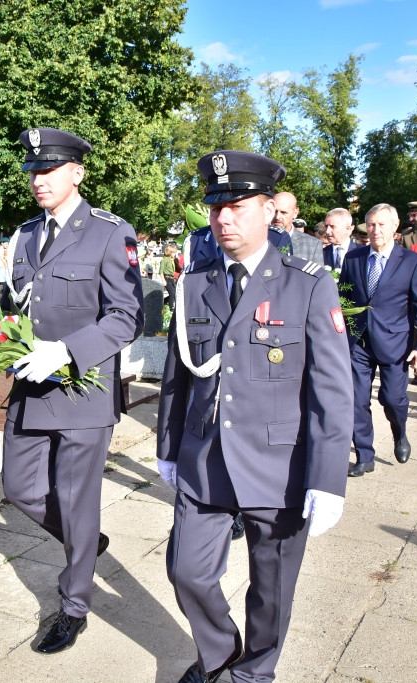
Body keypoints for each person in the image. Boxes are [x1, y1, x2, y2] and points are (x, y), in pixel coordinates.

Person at [156, 150, 353, 683]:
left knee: (272, 591)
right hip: (205, 462)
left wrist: (329, 478)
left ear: (269, 210)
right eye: (216, 206)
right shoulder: (194, 282)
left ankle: (252, 674)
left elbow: (332, 388)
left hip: (280, 467)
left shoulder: (307, 282)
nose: (223, 218)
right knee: (187, 573)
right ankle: (219, 656)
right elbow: (180, 372)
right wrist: (168, 448)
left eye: (238, 205)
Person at [0, 127, 144, 654]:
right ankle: (85, 543)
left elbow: (128, 316)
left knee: (78, 502)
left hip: (84, 392)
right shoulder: (24, 234)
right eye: (33, 171)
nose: (38, 180)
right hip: (32, 389)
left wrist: (66, 351)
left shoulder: (109, 232)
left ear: (77, 172)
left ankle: (73, 604)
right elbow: (19, 306)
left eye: (49, 170)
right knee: (18, 488)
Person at [339, 204, 417, 477]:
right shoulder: (354, 258)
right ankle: (364, 455)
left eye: (381, 225)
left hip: (395, 342)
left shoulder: (412, 262)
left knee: (392, 399)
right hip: (358, 341)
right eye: (370, 224)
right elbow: (343, 298)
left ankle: (400, 432)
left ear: (394, 227)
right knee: (356, 399)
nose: (375, 230)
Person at [272, 191, 322, 262]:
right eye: (274, 211)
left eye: (284, 212)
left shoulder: (312, 245)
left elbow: (318, 273)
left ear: (295, 213)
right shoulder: (258, 240)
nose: (277, 217)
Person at [159, 243, 178, 308]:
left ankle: (163, 303)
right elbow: (161, 271)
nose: (175, 254)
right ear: (170, 252)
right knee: (172, 293)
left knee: (174, 293)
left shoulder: (171, 260)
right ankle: (170, 307)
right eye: (174, 253)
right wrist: (163, 280)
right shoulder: (164, 260)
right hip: (167, 278)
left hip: (171, 278)